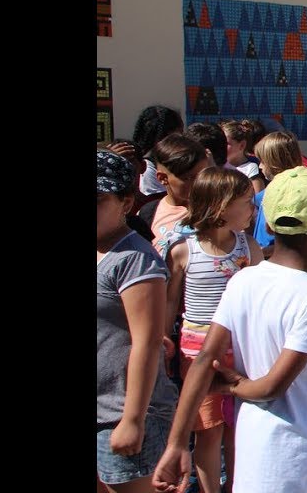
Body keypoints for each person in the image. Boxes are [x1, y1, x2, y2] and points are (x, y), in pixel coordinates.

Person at [152, 166, 307, 493]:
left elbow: (203, 360)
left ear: (267, 224)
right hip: (293, 450)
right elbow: (270, 387)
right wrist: (234, 386)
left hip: (251, 438)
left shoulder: (242, 279)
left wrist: (177, 443)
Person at [164, 166, 262, 493]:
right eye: (247, 202)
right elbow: (170, 305)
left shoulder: (249, 248)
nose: (254, 208)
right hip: (197, 355)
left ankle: (235, 485)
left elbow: (261, 301)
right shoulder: (183, 251)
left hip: (241, 351)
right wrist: (163, 339)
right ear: (221, 207)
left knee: (238, 427)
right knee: (207, 430)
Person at [98, 150, 178, 493]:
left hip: (123, 411)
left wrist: (132, 420)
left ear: (126, 203)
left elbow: (147, 342)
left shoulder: (135, 259)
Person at [141, 134, 212, 261]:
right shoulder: (149, 213)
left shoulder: (215, 208)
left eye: (203, 175)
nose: (199, 182)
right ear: (163, 178)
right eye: (189, 178)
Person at [250, 131, 304, 254]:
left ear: (275, 163)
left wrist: (262, 252)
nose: (260, 166)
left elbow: (295, 242)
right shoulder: (270, 190)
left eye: (263, 161)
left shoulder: (290, 194)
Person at [133, 105, 185, 200]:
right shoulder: (148, 168)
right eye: (180, 132)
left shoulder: (173, 163)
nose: (183, 138)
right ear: (168, 135)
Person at [221, 120, 267, 193]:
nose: (221, 146)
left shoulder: (251, 169)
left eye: (226, 143)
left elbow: (258, 200)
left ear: (242, 145)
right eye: (220, 142)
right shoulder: (217, 166)